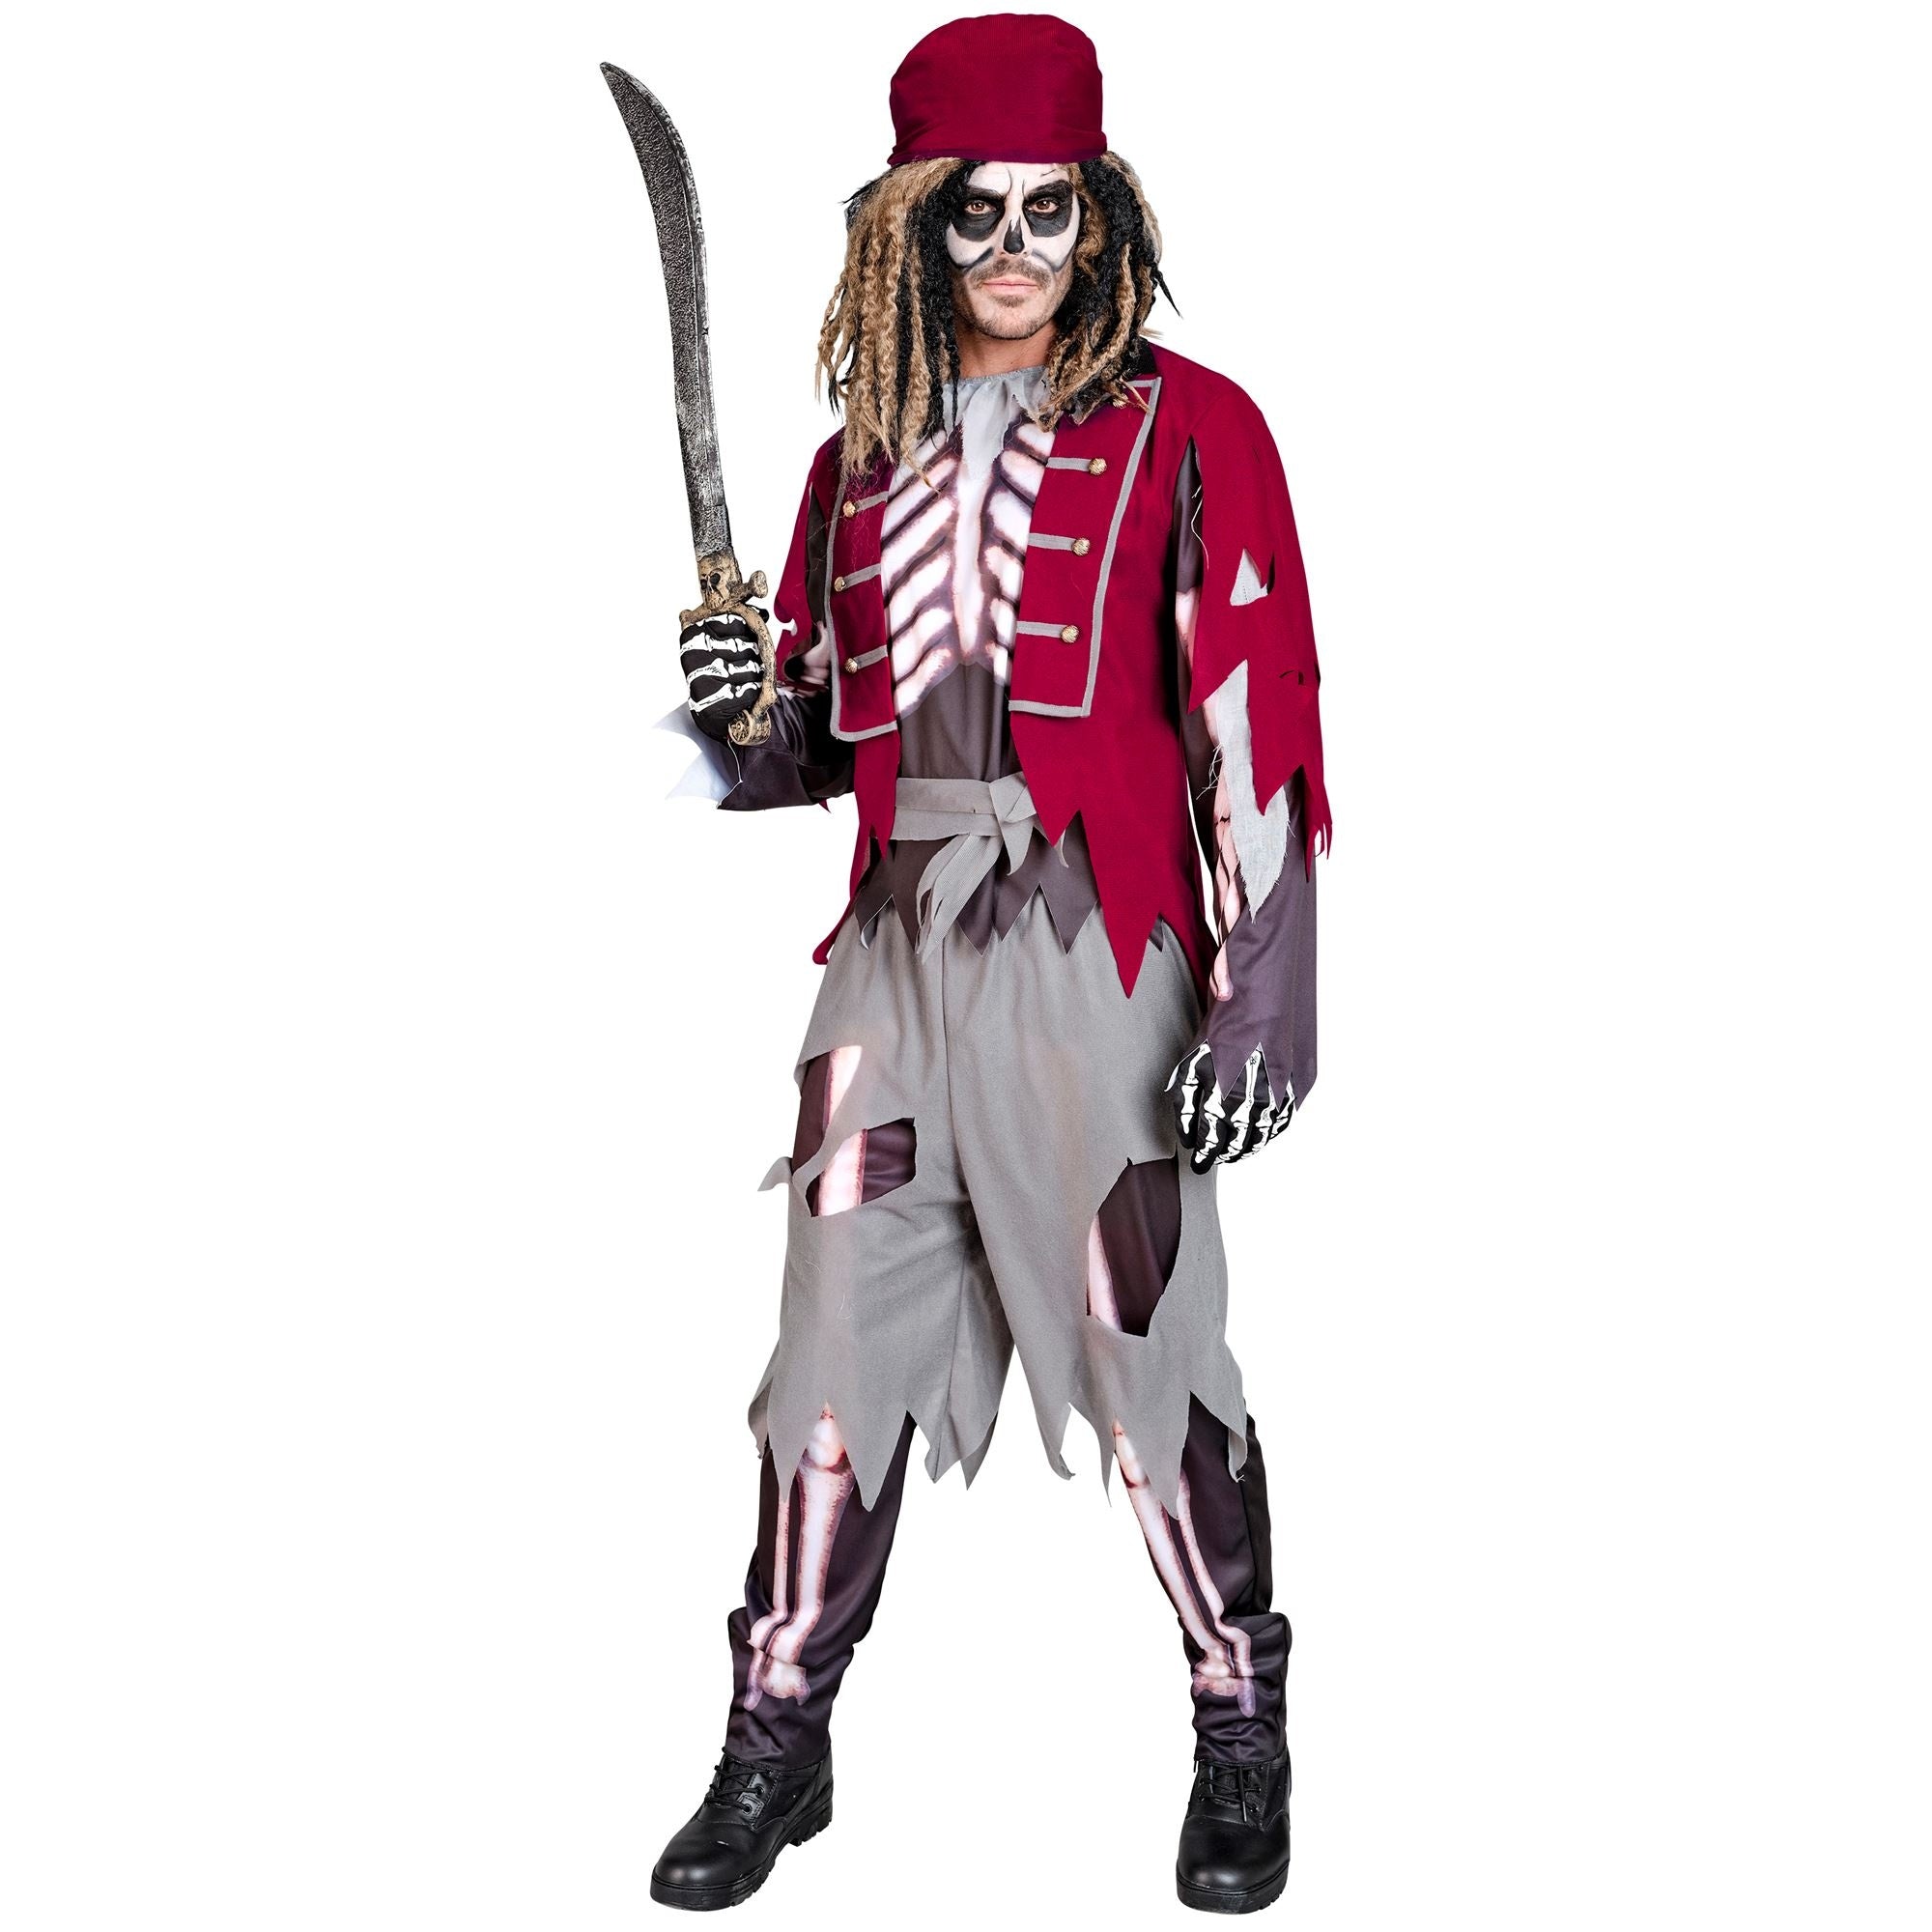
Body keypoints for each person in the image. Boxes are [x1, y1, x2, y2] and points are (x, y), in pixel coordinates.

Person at [648, 13, 1329, 1913]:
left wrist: (1262, 999)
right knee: (829, 1344)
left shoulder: (1194, 431)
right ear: (915, 229)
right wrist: (736, 708)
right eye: (976, 213)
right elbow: (812, 744)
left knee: (1148, 1338)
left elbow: (1255, 713)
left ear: (1099, 220)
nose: (1015, 247)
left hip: (1098, 949)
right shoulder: (853, 465)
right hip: (888, 962)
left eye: (1049, 210)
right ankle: (777, 1733)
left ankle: (1239, 1723)